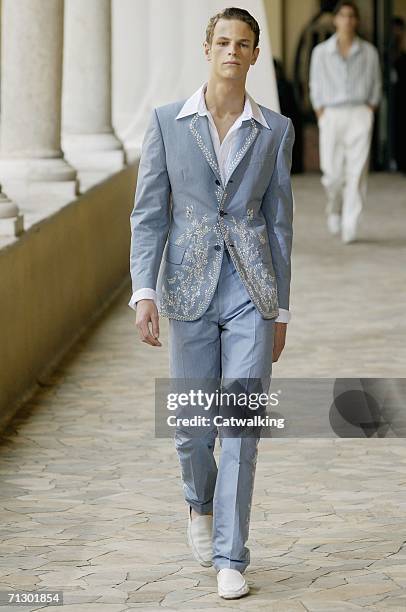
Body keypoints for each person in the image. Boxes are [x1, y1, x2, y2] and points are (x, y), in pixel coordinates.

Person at [128, 7, 294, 600]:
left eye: (242, 43)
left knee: (242, 427)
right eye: (222, 41)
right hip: (189, 289)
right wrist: (143, 291)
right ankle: (199, 504)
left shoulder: (275, 130)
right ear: (207, 48)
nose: (231, 51)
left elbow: (279, 223)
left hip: (252, 289)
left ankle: (231, 555)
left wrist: (281, 310)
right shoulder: (169, 122)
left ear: (254, 55)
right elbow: (149, 213)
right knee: (194, 426)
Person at [309, 0, 381, 243]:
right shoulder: (320, 53)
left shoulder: (369, 52)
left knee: (357, 171)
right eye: (343, 16)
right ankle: (334, 208)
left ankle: (351, 222)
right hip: (331, 113)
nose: (348, 20)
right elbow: (314, 84)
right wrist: (321, 112)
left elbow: (376, 84)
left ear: (356, 20)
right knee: (332, 173)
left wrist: (369, 109)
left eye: (352, 16)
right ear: (335, 20)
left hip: (360, 112)